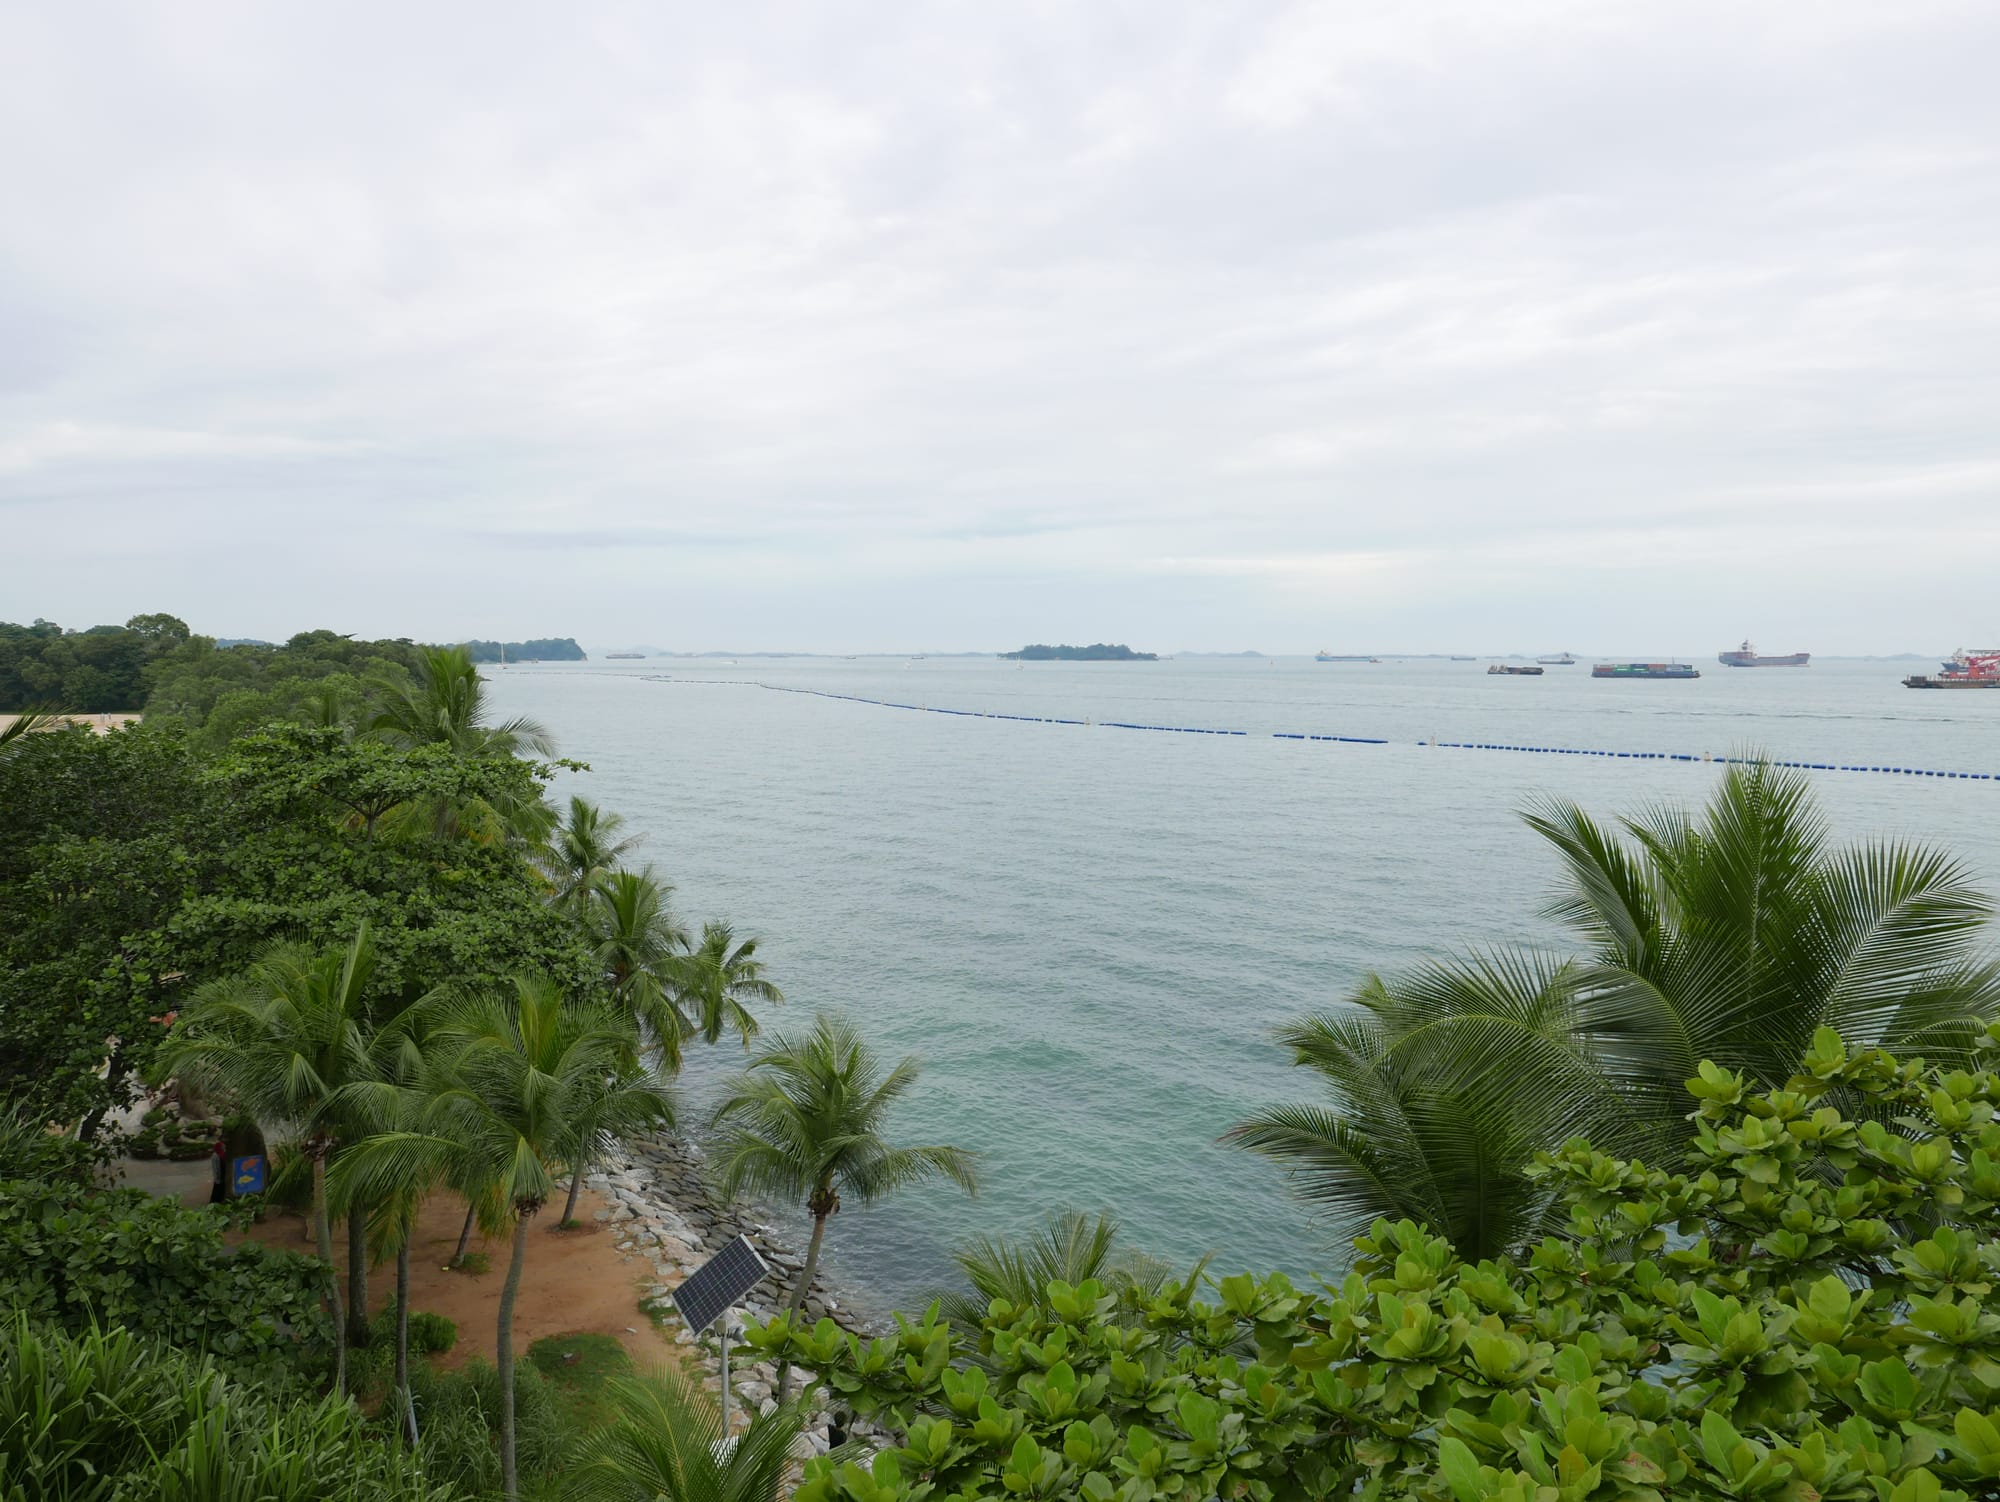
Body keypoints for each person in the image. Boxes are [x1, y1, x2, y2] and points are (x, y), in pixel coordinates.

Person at [209, 1136, 227, 1205]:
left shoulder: (222, 1154)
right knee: (216, 1191)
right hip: (218, 1178)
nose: (223, 1147)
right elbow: (215, 1167)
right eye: (222, 1146)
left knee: (221, 1191)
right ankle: (213, 1204)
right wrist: (216, 1178)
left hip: (222, 1176)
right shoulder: (215, 1156)